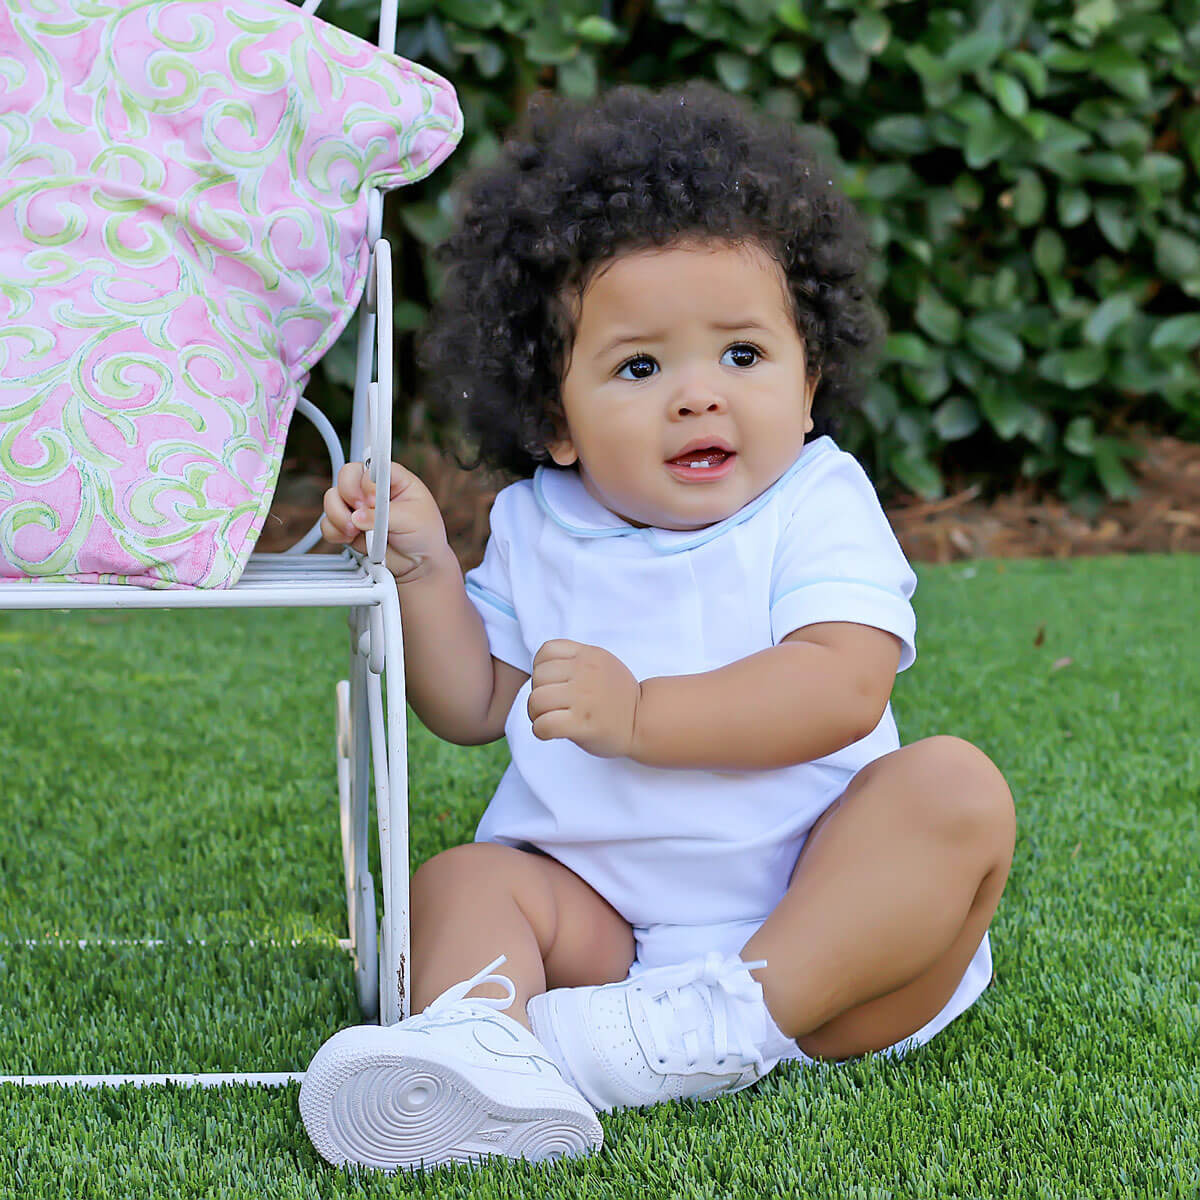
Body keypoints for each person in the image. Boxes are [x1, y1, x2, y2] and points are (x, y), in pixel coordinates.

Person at [299, 82, 1016, 1173]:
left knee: (955, 790)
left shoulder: (815, 501)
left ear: (810, 380)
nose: (697, 396)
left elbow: (841, 687)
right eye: (639, 367)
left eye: (742, 355)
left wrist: (640, 714)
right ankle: (479, 1050)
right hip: (606, 935)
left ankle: (721, 1026)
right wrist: (426, 567)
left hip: (816, 933)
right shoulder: (539, 523)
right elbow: (475, 703)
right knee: (462, 882)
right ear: (556, 419)